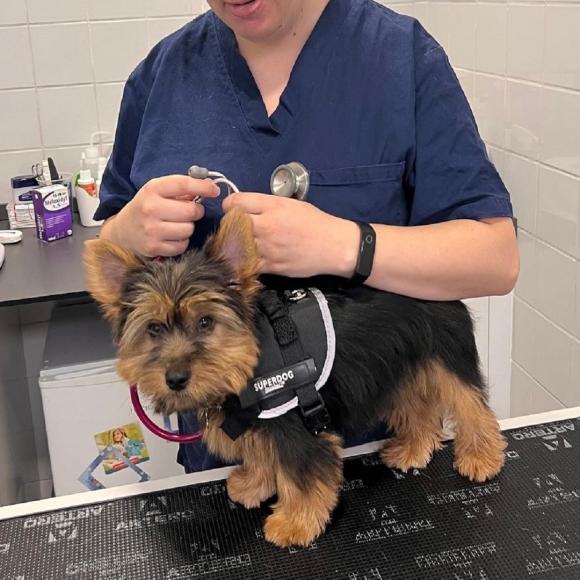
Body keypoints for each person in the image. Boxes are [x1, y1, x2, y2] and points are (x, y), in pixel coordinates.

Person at [95, 0, 519, 473]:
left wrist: (343, 244)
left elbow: (496, 259)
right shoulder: (159, 76)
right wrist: (125, 231)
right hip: (228, 457)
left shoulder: (401, 57)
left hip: (373, 454)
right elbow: (105, 250)